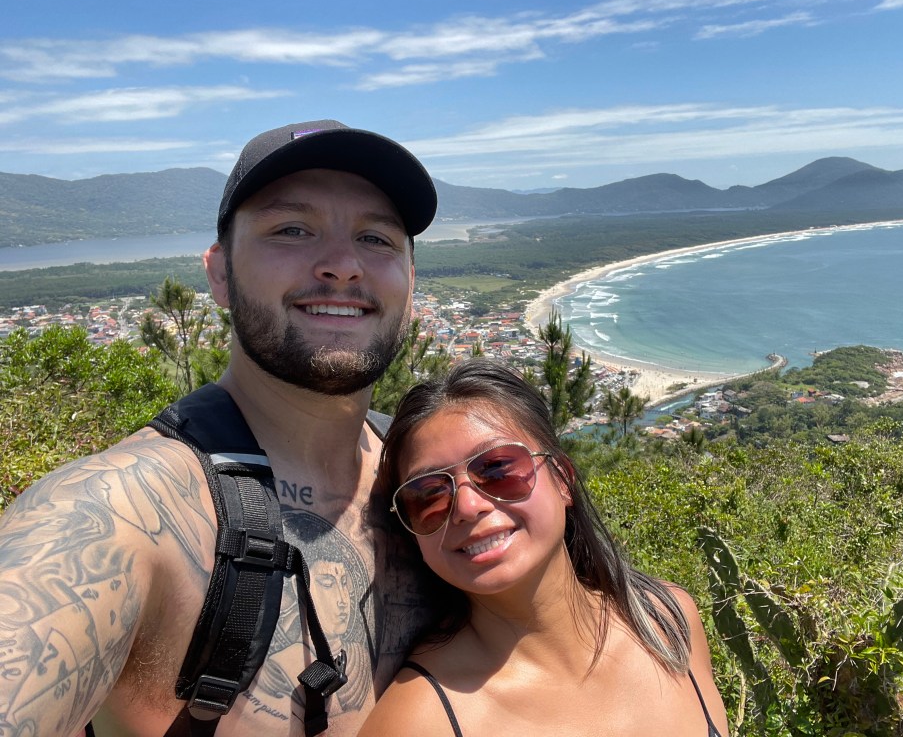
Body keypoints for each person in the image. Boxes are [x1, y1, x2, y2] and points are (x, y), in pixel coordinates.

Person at [0, 119, 440, 736]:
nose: (343, 266)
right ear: (219, 274)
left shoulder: (441, 485)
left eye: (376, 238)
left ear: (411, 282)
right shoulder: (117, 512)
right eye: (292, 229)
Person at [359, 358, 729, 737]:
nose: (468, 507)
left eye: (497, 469)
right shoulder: (418, 722)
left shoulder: (669, 618)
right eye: (429, 495)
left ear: (563, 479)